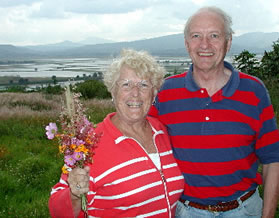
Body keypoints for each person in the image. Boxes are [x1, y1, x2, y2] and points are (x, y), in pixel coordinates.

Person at [149, 6, 279, 218]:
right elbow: (136, 138)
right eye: (196, 36)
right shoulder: (165, 93)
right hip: (186, 211)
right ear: (186, 43)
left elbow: (273, 159)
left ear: (228, 43)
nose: (205, 44)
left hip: (244, 210)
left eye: (214, 36)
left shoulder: (254, 91)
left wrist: (268, 215)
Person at [49, 49, 185, 217]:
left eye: (143, 85)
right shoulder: (89, 143)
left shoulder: (161, 131)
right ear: (113, 92)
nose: (135, 93)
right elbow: (57, 212)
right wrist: (74, 194)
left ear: (154, 93)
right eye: (126, 84)